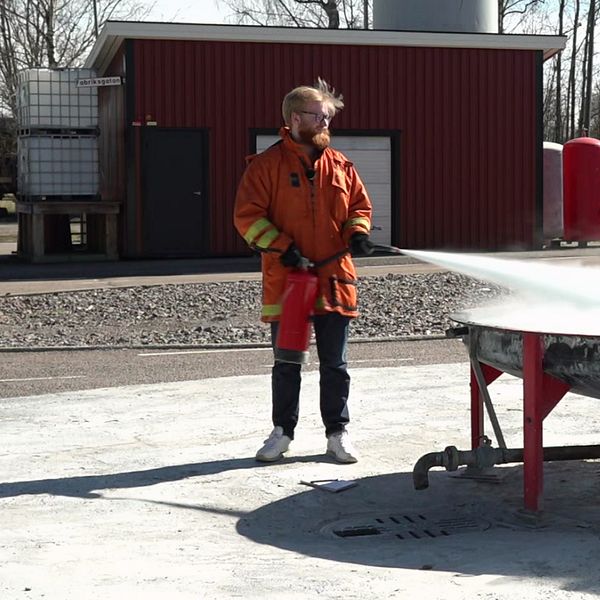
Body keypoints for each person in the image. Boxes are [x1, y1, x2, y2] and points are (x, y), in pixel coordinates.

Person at [233, 77, 373, 464]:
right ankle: (282, 433)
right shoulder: (265, 167)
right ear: (296, 119)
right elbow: (247, 217)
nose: (326, 123)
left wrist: (357, 233)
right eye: (320, 116)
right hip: (290, 281)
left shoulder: (342, 165)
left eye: (328, 117)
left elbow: (359, 208)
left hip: (334, 278)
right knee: (287, 364)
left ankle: (337, 433)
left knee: (335, 364)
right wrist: (283, 249)